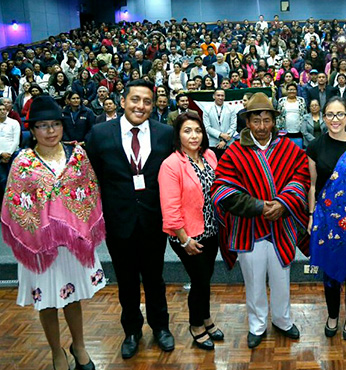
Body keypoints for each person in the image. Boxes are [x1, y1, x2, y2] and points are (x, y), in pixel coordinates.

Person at [1, 96, 106, 370]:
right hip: (40, 248)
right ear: (32, 130)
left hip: (73, 244)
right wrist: (41, 233)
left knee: (73, 298)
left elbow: (90, 194)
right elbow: (16, 204)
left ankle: (79, 345)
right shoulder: (23, 162)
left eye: (55, 124)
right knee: (47, 301)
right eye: (43, 125)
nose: (50, 131)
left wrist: (77, 228)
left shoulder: (77, 155)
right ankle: (56, 350)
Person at [212, 92, 310, 349]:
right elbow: (223, 190)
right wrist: (259, 207)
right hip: (248, 229)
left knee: (281, 278)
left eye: (267, 120)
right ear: (247, 122)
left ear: (274, 121)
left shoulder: (289, 148)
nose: (263, 126)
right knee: (254, 280)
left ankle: (282, 320)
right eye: (257, 121)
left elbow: (300, 178)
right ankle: (257, 325)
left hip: (282, 225)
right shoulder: (234, 152)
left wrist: (283, 204)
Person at [86, 79, 175, 359]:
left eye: (147, 101)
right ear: (123, 101)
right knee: (126, 280)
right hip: (118, 220)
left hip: (153, 220)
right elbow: (94, 176)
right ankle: (132, 331)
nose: (141, 106)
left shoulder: (165, 133)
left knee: (154, 278)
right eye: (135, 99)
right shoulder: (100, 134)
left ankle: (161, 327)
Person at [158, 111, 223, 350]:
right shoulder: (171, 165)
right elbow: (170, 208)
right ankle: (196, 325)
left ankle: (206, 318)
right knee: (198, 280)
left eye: (197, 130)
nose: (194, 135)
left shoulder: (209, 156)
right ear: (178, 135)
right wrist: (184, 240)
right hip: (186, 235)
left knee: (205, 279)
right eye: (187, 131)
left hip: (211, 230)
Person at [307, 97, 346, 341]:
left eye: (339, 114)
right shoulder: (315, 146)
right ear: (324, 117)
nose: (335, 119)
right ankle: (333, 315)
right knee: (330, 270)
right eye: (330, 115)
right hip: (326, 220)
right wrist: (311, 215)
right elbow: (312, 185)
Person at [202, 89, 237, 157]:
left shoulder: (231, 108)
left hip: (228, 143)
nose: (220, 97)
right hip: (213, 143)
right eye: (218, 95)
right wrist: (220, 134)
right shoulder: (207, 109)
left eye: (222, 96)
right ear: (214, 96)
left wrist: (224, 140)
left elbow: (233, 126)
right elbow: (207, 127)